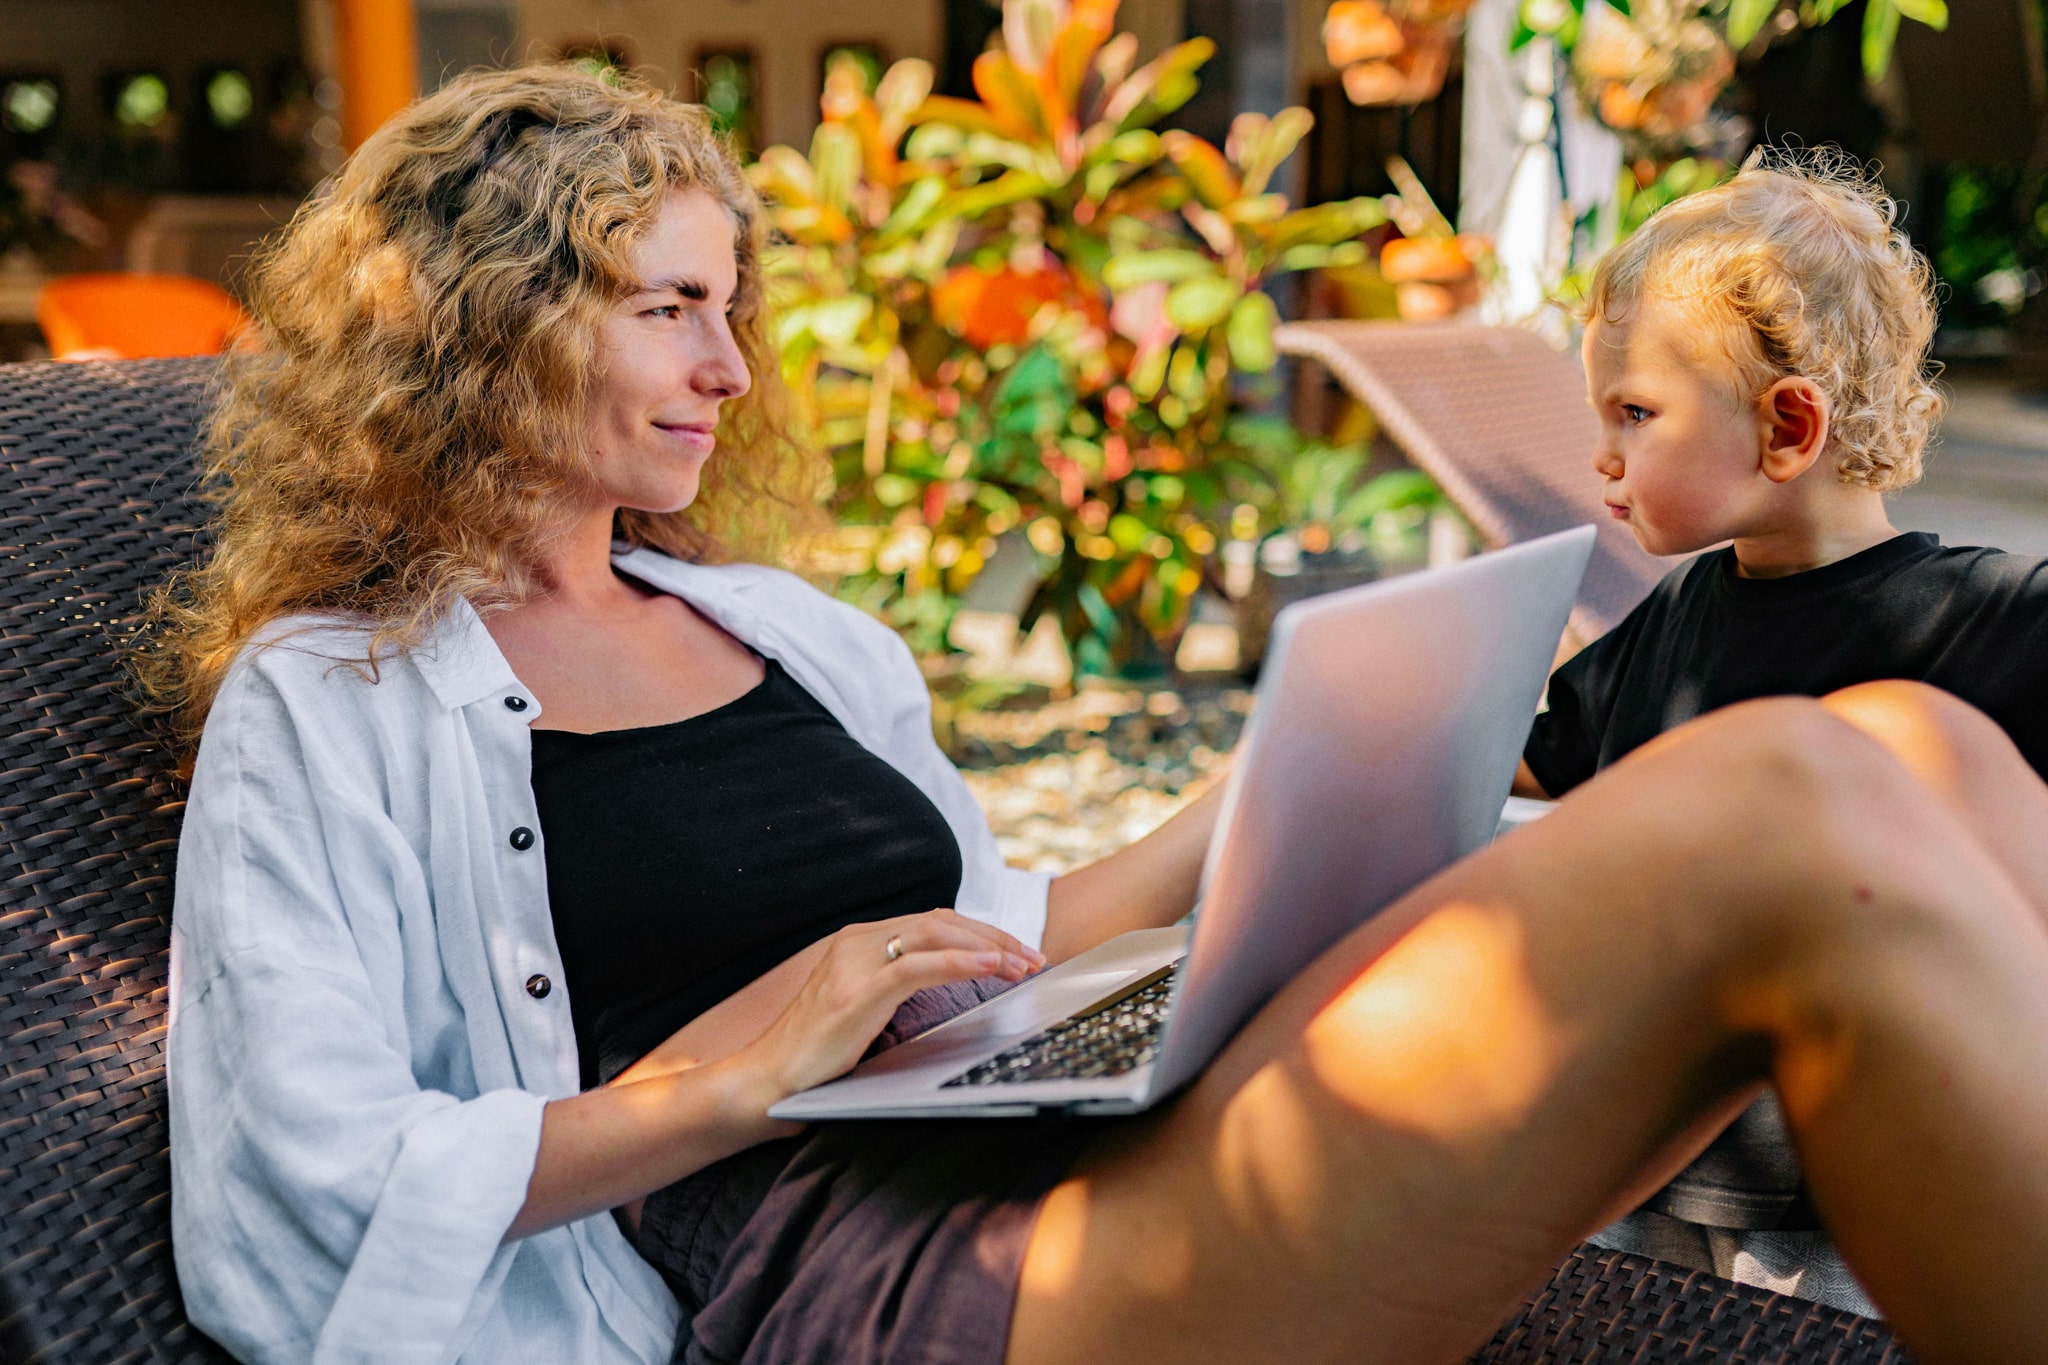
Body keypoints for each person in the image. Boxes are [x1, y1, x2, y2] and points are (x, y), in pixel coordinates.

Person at [150, 66, 2048, 1365]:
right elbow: (289, 1194)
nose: (732, 368)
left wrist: (1328, 770)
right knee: (1796, 792)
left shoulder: (780, 632)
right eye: (670, 310)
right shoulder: (336, 704)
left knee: (1922, 746)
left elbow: (1015, 926)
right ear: (483, 322)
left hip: (1055, 1107)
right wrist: (722, 1080)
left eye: (729, 308)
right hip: (876, 1263)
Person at [1518, 152, 2048, 803]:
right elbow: (1530, 764)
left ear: (1787, 430)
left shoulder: (2000, 622)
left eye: (1634, 412)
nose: (1602, 455)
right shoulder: (1676, 613)